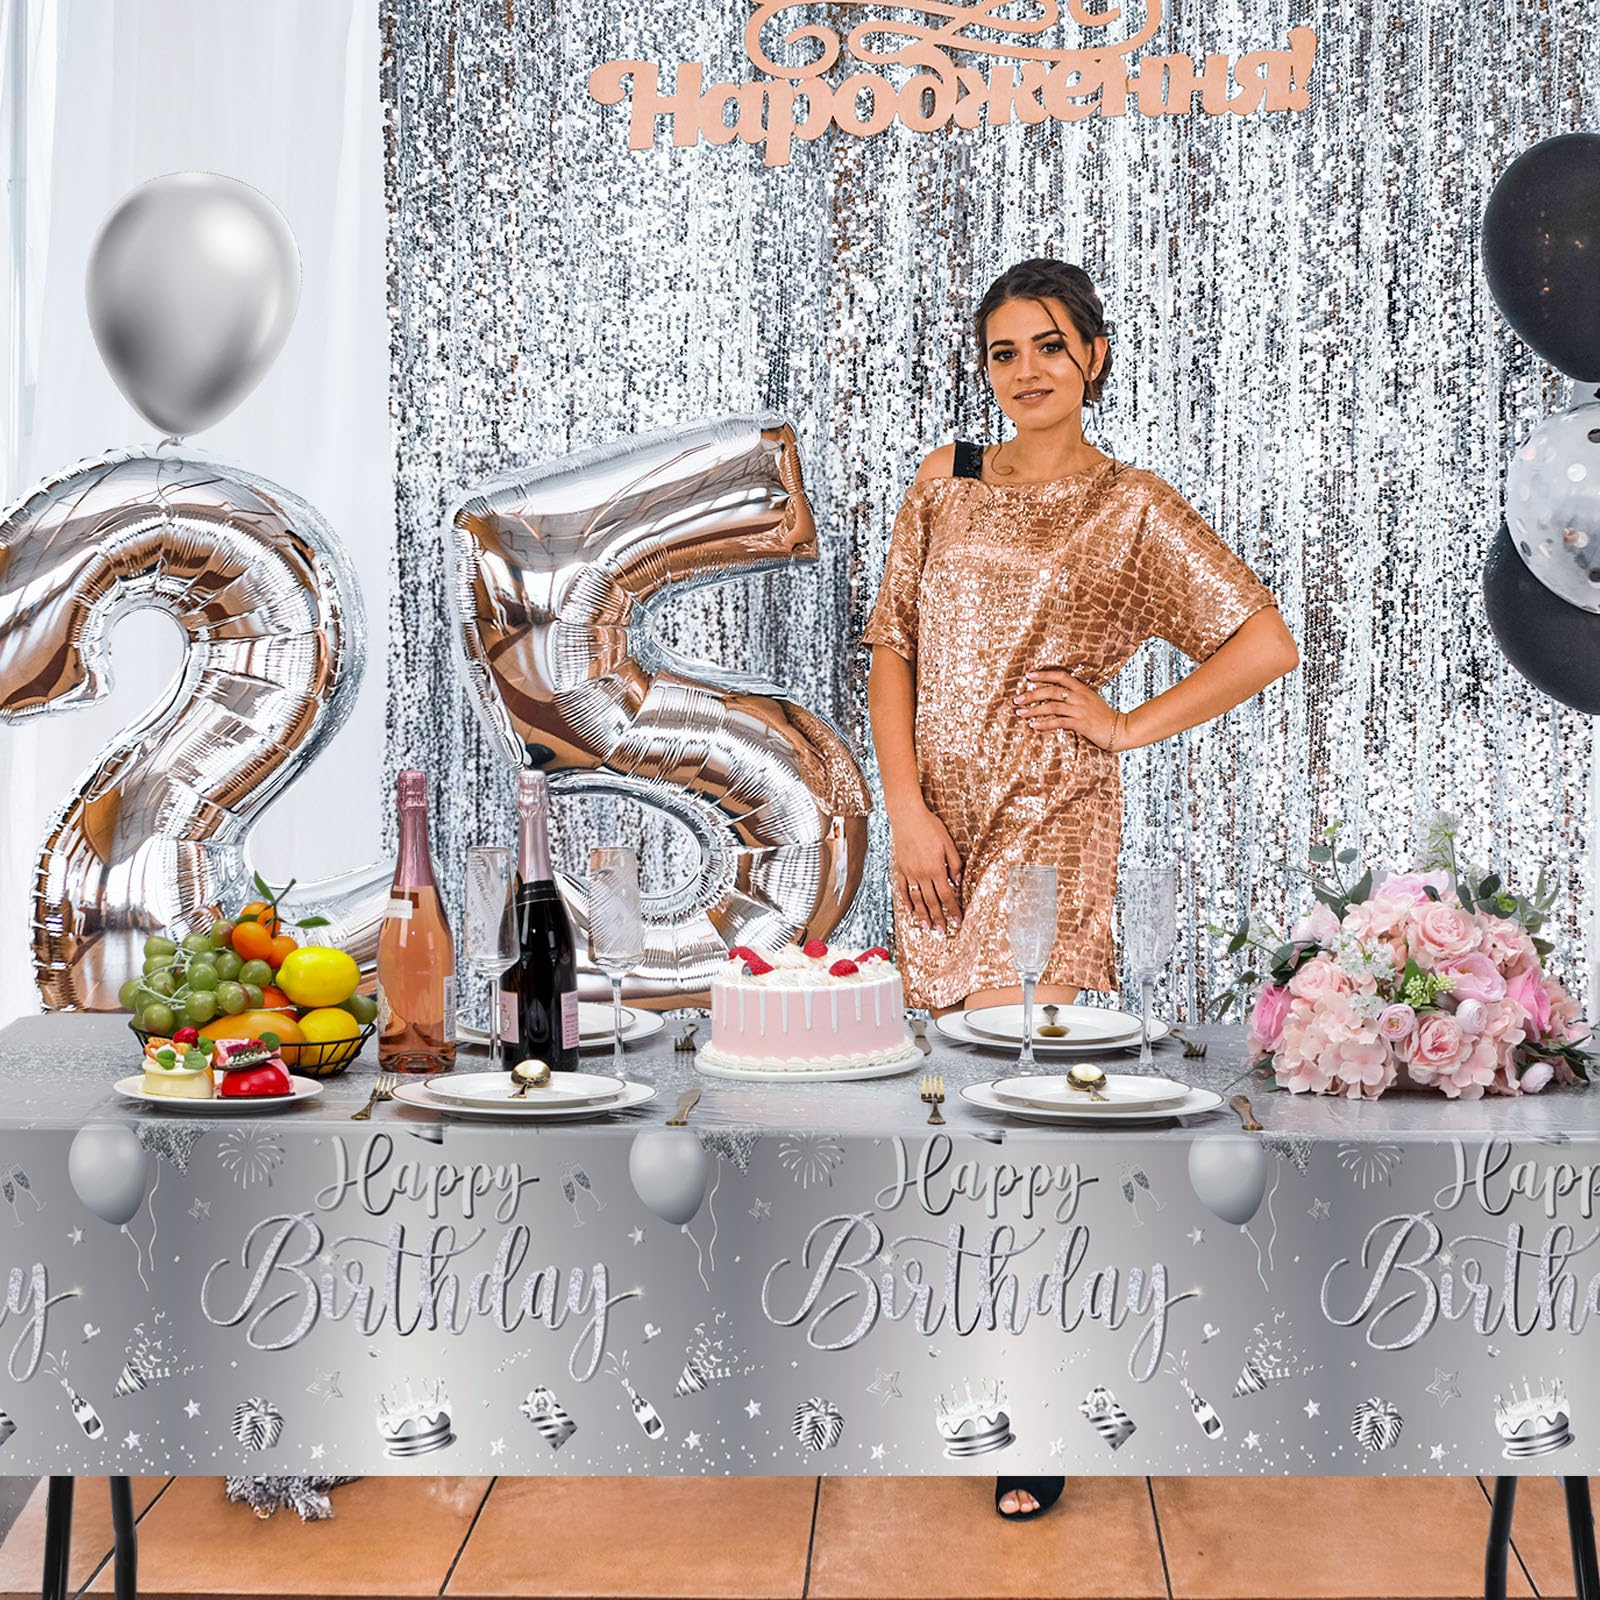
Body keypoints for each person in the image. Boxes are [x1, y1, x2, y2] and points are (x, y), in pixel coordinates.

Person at [862, 258, 1298, 1520]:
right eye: (1002, 352)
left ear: (1094, 354)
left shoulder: (1132, 505)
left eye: (1048, 345)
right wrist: (905, 812)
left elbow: (1263, 641)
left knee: (1027, 1109)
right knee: (967, 1102)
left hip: (1053, 820)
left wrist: (1121, 725)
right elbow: (891, 647)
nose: (1025, 371)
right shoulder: (943, 482)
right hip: (937, 828)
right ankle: (1000, 1361)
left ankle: (1036, 1404)